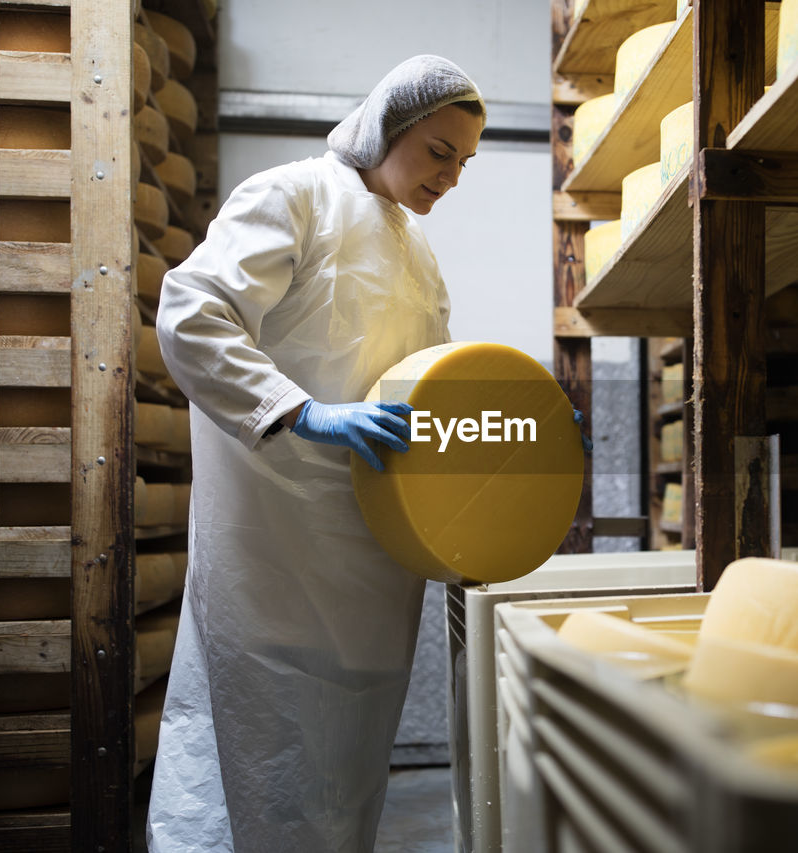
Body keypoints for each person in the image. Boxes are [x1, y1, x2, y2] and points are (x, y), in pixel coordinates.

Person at [146, 56, 486, 852]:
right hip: (275, 548)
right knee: (258, 753)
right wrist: (300, 412)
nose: (452, 178)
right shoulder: (292, 196)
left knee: (348, 768)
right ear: (388, 127)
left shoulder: (419, 255)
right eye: (440, 152)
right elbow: (191, 315)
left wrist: (517, 435)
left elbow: (434, 388)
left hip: (372, 560)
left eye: (464, 162)